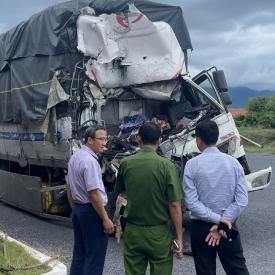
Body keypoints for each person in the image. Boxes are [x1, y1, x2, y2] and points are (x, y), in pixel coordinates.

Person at [114, 122, 184, 275]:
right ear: (159, 140)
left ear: (139, 140)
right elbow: (174, 205)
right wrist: (179, 237)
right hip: (158, 232)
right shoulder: (167, 166)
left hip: (133, 230)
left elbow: (119, 193)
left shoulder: (125, 164)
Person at [183, 119, 249, 275]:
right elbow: (241, 200)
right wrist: (223, 222)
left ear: (198, 139)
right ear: (217, 138)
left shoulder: (192, 165)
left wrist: (218, 221)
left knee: (205, 270)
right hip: (229, 225)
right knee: (237, 269)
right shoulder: (234, 163)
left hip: (201, 227)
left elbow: (192, 203)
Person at [67, 125, 114, 275]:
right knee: (95, 256)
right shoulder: (90, 161)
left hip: (79, 209)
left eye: (105, 139)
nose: (104, 143)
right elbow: (94, 193)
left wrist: (74, 208)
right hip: (91, 211)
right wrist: (106, 218)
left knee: (79, 253)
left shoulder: (75, 157)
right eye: (101, 139)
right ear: (89, 140)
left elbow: (68, 186)